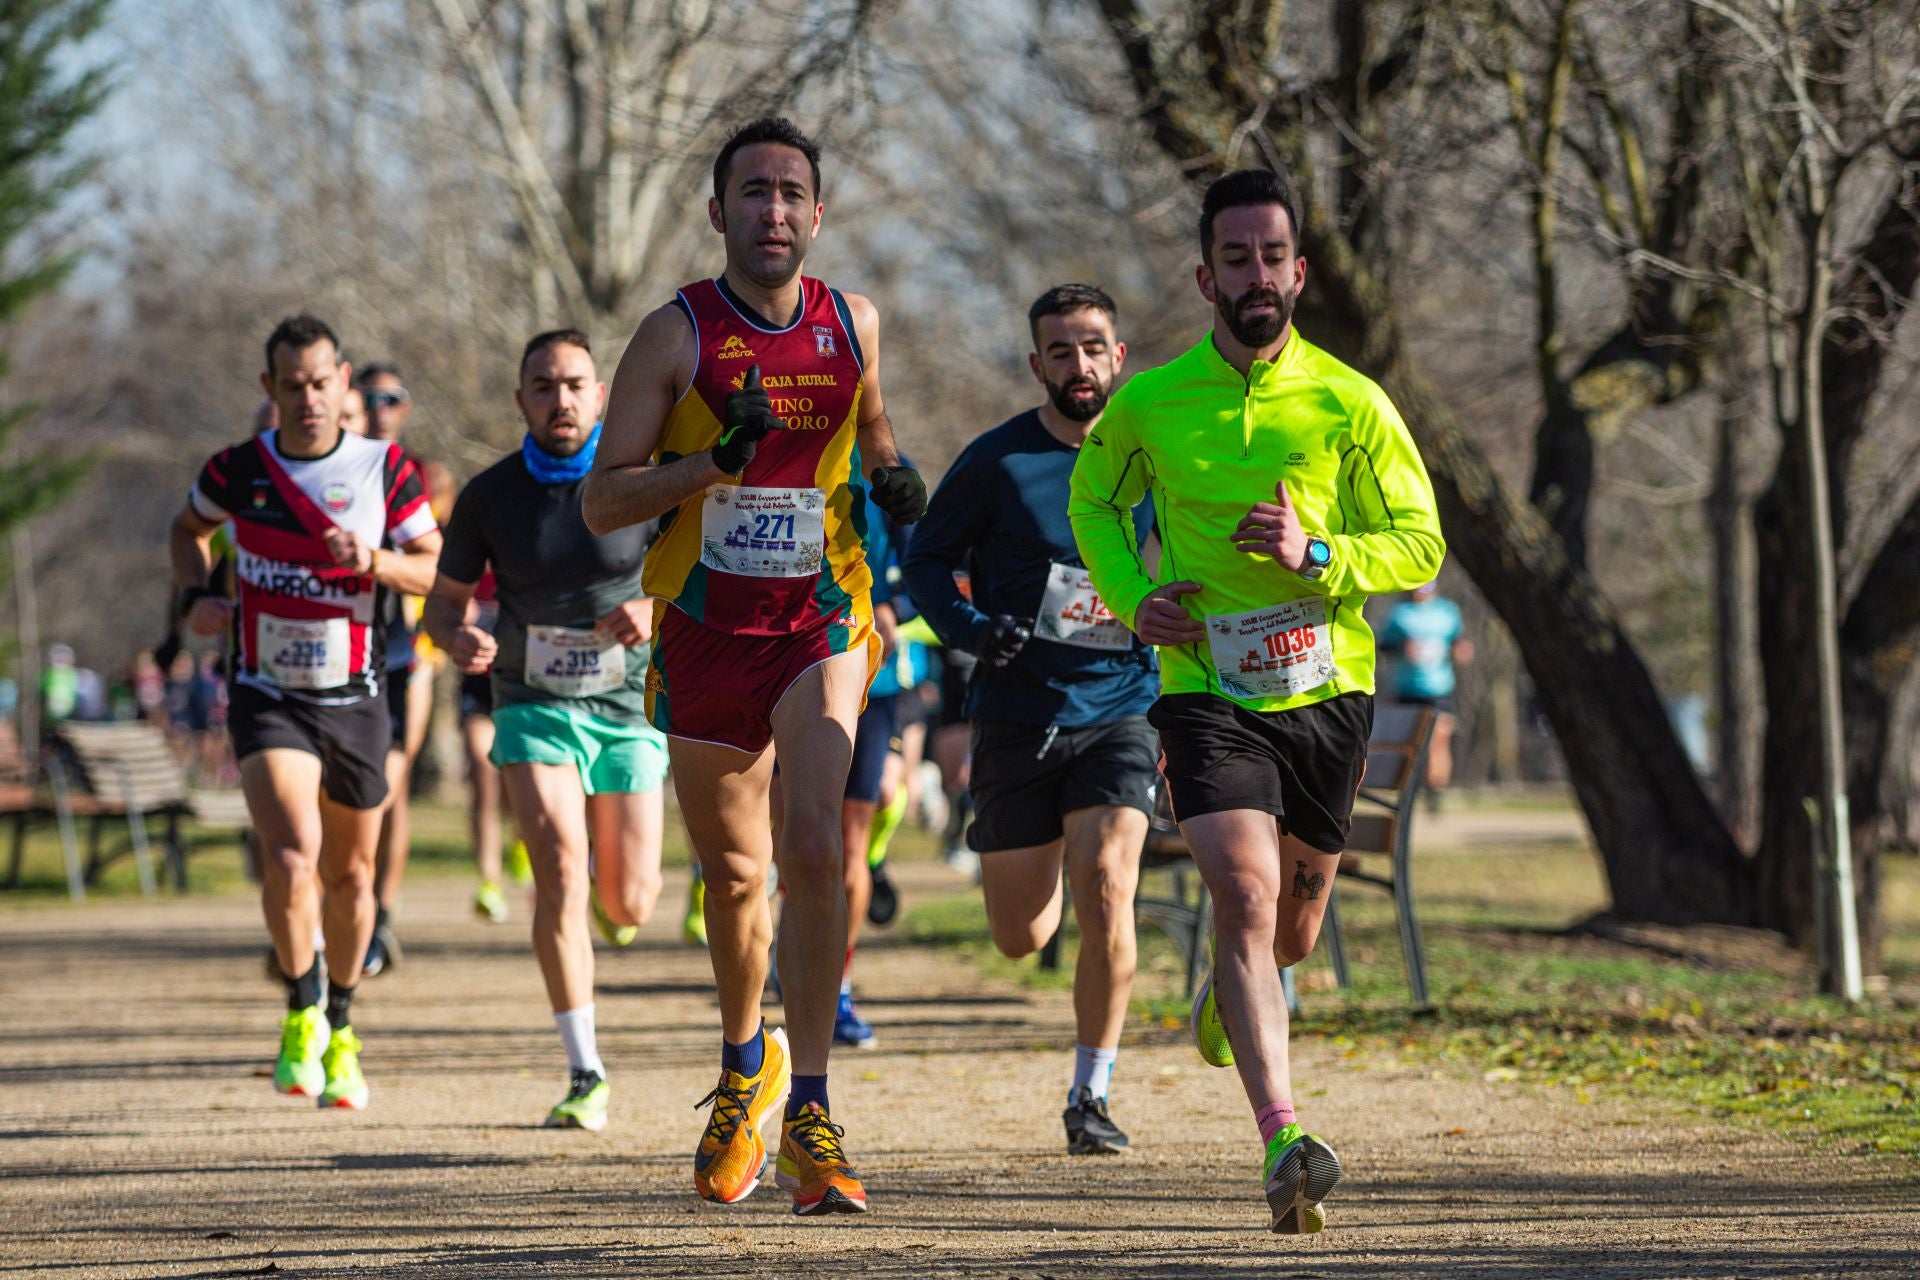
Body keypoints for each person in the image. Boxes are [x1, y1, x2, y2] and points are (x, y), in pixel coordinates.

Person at [1068, 169, 1444, 1235]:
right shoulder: (1151, 400)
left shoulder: (1351, 399)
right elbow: (1092, 496)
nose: (1256, 275)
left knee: (1291, 926)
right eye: (1236, 259)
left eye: (1272, 257)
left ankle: (1235, 993)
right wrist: (1138, 598)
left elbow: (1420, 542)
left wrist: (1317, 549)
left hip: (1329, 688)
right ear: (1205, 276)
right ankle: (1283, 1135)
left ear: (1299, 270)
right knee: (1241, 894)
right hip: (1205, 688)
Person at [584, 116, 925, 1217]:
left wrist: (898, 476)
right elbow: (602, 499)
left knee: (816, 844)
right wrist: (705, 464)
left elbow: (871, 433)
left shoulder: (854, 323)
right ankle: (748, 1067)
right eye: (753, 192)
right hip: (701, 627)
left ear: (815, 216)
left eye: (791, 193)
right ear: (719, 210)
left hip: (822, 616)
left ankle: (815, 1111)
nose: (773, 211)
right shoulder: (673, 333)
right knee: (733, 879)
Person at [904, 283, 1159, 1156]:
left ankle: (1091, 1092)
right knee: (1022, 936)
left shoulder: (1153, 453)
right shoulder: (997, 463)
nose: (1079, 365)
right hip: (1016, 716)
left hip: (1122, 705)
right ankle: (1037, 930)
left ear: (1117, 356)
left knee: (1109, 886)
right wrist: (975, 632)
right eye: (1061, 351)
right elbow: (925, 561)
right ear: (1037, 363)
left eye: (1094, 347)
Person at [170, 313, 441, 1110]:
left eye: (322, 382)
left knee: (351, 875)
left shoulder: (385, 470)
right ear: (270, 389)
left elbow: (435, 571)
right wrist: (199, 595)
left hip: (356, 697)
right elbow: (188, 529)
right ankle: (301, 1008)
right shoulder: (235, 471)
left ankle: (345, 1024)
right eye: (292, 385)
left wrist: (378, 561)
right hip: (266, 692)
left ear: (343, 382)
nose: (309, 398)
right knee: (291, 855)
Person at [426, 327, 667, 1131]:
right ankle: (585, 1068)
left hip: (629, 704)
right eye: (542, 386)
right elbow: (441, 604)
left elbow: (700, 573)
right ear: (521, 399)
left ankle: (611, 904)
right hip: (531, 699)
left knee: (630, 903)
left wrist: (655, 608)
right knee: (559, 870)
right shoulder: (491, 495)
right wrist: (456, 636)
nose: (559, 400)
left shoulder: (643, 481)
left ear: (601, 396)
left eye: (573, 384)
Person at [355, 361, 454, 976]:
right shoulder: (330, 468)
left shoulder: (426, 475)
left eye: (391, 398)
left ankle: (379, 914)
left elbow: (435, 551)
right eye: (368, 398)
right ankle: (347, 908)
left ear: (405, 408)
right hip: (347, 645)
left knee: (389, 785)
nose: (379, 409)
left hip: (409, 646)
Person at [1377, 581, 1471, 796]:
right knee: (1409, 744)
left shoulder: (1448, 612)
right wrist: (1403, 648)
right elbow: (1383, 645)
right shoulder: (1399, 613)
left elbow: (1458, 642)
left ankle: (1435, 792)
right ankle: (1409, 789)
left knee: (1439, 737)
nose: (1421, 593)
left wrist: (1461, 651)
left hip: (1439, 687)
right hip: (1407, 687)